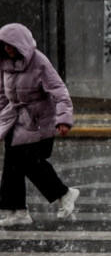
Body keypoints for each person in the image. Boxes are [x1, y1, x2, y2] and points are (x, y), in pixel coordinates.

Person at [0, 23, 78, 226]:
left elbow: (59, 91)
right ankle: (16, 210)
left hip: (38, 122)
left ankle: (64, 193)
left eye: (11, 45)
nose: (7, 49)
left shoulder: (39, 62)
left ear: (20, 43)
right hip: (14, 120)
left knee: (26, 161)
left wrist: (63, 120)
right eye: (4, 45)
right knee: (11, 164)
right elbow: (2, 95)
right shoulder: (4, 64)